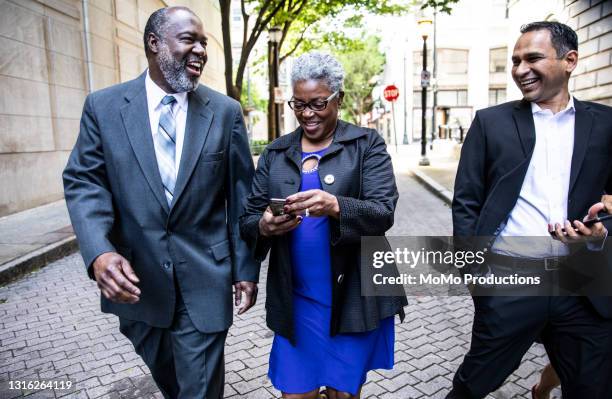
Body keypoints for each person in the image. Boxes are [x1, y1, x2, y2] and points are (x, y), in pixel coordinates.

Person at [63, 7, 258, 398]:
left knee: (198, 390)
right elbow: (84, 180)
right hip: (138, 287)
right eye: (189, 39)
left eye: (204, 42)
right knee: (173, 383)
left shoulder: (224, 113)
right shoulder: (103, 108)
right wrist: (99, 252)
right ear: (155, 44)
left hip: (205, 280)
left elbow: (242, 199)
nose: (201, 49)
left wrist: (246, 267)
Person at [449, 21, 612, 399]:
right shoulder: (491, 123)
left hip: (582, 284)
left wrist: (601, 229)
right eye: (515, 60)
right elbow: (467, 201)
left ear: (569, 60)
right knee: (475, 383)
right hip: (511, 278)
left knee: (594, 387)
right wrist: (477, 274)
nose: (521, 69)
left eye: (533, 58)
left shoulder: (605, 123)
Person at [239, 51, 407, 399]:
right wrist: (265, 226)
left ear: (338, 98)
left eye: (317, 103)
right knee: (295, 392)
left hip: (351, 295)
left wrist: (334, 205)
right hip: (297, 298)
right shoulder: (276, 153)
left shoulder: (366, 144)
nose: (307, 114)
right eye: (298, 105)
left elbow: (383, 212)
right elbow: (249, 217)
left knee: (343, 393)